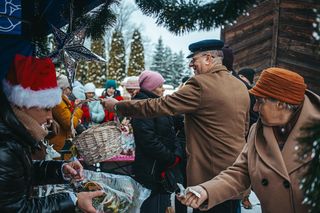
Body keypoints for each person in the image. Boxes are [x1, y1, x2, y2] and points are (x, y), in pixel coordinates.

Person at [102, 39, 250, 213]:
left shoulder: (201, 84)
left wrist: (118, 106)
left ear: (208, 58)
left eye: (194, 60)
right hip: (236, 174)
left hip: (210, 177)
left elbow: (159, 106)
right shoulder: (240, 86)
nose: (190, 64)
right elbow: (244, 128)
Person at [177, 67, 318, 213]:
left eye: (260, 102)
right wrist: (206, 190)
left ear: (281, 104)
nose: (255, 108)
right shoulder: (258, 131)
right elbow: (241, 172)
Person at [0, 54, 103, 212]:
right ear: (22, 104)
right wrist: (72, 199)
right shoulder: (5, 145)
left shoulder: (14, 134)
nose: (50, 117)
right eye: (46, 108)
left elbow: (22, 174)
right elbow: (16, 209)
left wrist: (60, 170)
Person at [131, 70, 182, 213]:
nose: (163, 89)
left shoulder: (157, 104)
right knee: (153, 207)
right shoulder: (143, 106)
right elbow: (148, 140)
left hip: (162, 167)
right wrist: (171, 158)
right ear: (150, 87)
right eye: (160, 86)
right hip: (152, 170)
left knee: (161, 205)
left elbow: (171, 132)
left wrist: (176, 153)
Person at [49, 74, 83, 156]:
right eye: (68, 88)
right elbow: (69, 123)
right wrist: (77, 109)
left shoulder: (62, 101)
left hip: (63, 141)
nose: (70, 91)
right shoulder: (58, 102)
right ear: (63, 88)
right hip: (60, 144)